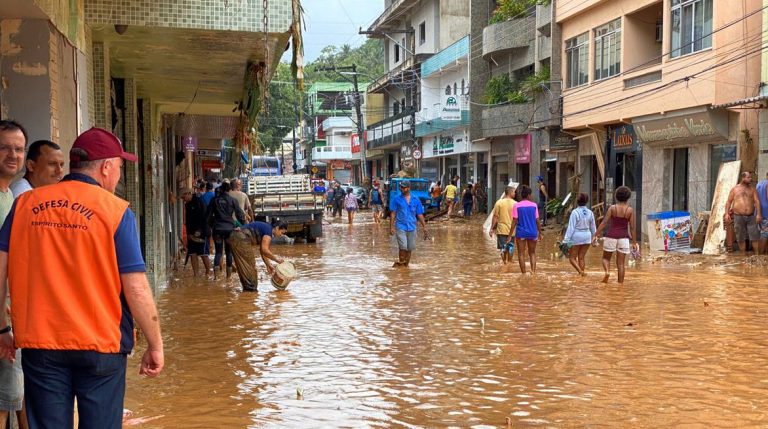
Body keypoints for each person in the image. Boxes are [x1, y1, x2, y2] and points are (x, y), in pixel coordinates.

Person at [0, 127, 163, 429]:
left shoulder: (24, 205)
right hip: (101, 347)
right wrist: (155, 344)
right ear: (105, 167)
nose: (118, 176)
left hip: (41, 344)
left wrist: (1, 329)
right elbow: (137, 288)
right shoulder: (115, 211)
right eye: (119, 167)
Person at [0, 121, 27, 429]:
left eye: (18, 149)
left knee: (14, 396)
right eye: (5, 147)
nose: (12, 155)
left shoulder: (11, 197)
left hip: (11, 315)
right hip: (3, 323)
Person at [594, 186, 638, 283]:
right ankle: (620, 286)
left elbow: (604, 223)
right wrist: (634, 243)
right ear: (628, 197)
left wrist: (595, 234)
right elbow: (632, 228)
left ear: (616, 197)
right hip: (624, 239)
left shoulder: (612, 208)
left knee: (606, 258)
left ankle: (607, 272)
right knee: (621, 264)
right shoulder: (630, 210)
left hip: (611, 237)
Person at [230, 220, 288, 291]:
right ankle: (250, 293)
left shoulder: (267, 228)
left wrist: (268, 265)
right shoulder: (268, 232)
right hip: (241, 238)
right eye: (282, 232)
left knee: (245, 267)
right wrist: (276, 259)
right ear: (277, 228)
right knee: (250, 268)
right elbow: (264, 250)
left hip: (236, 236)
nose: (281, 235)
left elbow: (262, 251)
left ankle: (247, 292)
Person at [207, 181, 246, 279]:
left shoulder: (214, 200)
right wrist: (243, 226)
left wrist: (212, 225)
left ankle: (216, 277)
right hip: (230, 229)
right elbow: (240, 215)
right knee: (229, 252)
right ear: (229, 190)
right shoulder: (233, 200)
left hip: (217, 229)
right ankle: (228, 278)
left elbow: (208, 216)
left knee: (218, 252)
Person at [389, 180, 429, 267]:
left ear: (408, 188)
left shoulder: (415, 199)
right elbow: (393, 213)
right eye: (401, 187)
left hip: (412, 227)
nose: (401, 189)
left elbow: (419, 214)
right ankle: (401, 265)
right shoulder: (396, 199)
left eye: (403, 187)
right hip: (400, 226)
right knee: (403, 246)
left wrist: (424, 227)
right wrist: (391, 227)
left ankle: (405, 266)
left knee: (410, 248)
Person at [724, 171, 762, 255]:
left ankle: (757, 254)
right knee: (740, 237)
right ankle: (743, 255)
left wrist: (759, 214)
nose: (750, 179)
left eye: (750, 177)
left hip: (751, 216)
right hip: (738, 216)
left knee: (755, 236)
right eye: (748, 177)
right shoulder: (735, 189)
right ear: (743, 178)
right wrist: (726, 213)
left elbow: (757, 201)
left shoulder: (752, 189)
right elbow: (728, 202)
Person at [508, 185, 543, 274]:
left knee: (521, 254)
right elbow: (537, 221)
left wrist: (509, 235)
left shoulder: (516, 206)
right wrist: (540, 233)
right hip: (532, 232)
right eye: (530, 195)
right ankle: (533, 272)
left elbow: (514, 221)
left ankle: (523, 274)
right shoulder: (534, 205)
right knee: (532, 253)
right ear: (528, 195)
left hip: (521, 233)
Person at [563, 193, 596, 276]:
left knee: (572, 258)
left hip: (576, 237)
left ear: (577, 201)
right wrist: (594, 238)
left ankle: (581, 272)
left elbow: (571, 227)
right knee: (581, 257)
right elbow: (593, 227)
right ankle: (581, 275)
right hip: (587, 237)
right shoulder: (590, 212)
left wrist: (566, 240)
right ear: (587, 201)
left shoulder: (575, 212)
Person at [182, 186, 212, 277]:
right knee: (192, 254)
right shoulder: (187, 205)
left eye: (184, 197)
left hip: (202, 233)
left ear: (189, 194)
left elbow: (205, 217)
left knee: (203, 254)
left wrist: (199, 230)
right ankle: (196, 275)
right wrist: (188, 234)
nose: (184, 199)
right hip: (191, 233)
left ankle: (208, 273)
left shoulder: (199, 202)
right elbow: (188, 220)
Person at [489, 185, 517, 264]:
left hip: (501, 230)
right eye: (514, 192)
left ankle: (504, 262)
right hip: (512, 231)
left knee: (503, 248)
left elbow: (495, 217)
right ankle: (510, 262)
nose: (515, 194)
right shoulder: (516, 204)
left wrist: (491, 228)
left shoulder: (499, 202)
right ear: (510, 192)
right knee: (510, 247)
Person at [757, 173, 768, 254]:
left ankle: (761, 255)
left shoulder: (759, 184)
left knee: (763, 233)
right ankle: (761, 256)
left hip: (759, 212)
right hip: (766, 212)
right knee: (765, 234)